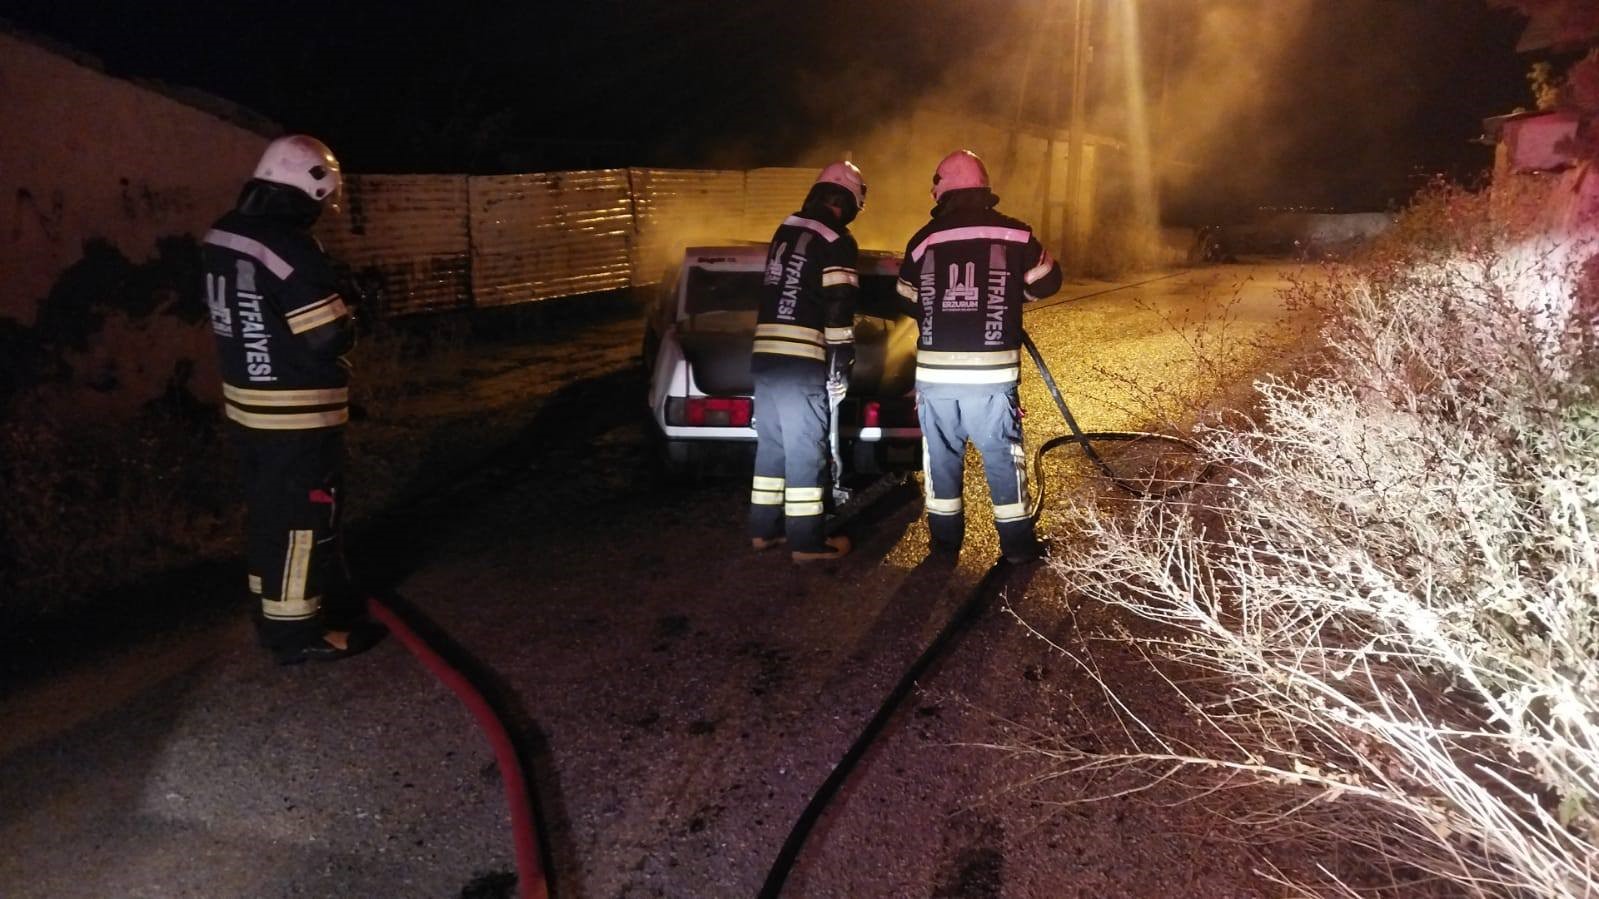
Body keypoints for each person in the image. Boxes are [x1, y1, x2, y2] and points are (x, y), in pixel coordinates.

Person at [202, 134, 383, 664]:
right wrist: (353, 314)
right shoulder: (290, 249)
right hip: (297, 412)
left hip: (248, 407)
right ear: (309, 193)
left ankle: (270, 606)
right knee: (305, 521)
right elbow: (327, 335)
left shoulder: (224, 235)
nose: (321, 214)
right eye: (321, 202)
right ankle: (296, 634)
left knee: (270, 514)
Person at [896, 149, 1063, 563]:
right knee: (1003, 459)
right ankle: (1018, 549)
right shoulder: (1015, 235)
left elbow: (905, 298)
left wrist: (940, 310)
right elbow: (1049, 282)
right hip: (990, 377)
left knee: (941, 461)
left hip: (935, 378)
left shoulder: (923, 240)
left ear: (944, 191)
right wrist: (1006, 298)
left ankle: (944, 546)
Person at [747, 161, 865, 562]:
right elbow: (839, 308)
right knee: (806, 451)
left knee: (773, 446)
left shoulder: (786, 230)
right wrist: (840, 365)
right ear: (848, 202)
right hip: (801, 360)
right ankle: (807, 542)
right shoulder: (836, 240)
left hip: (765, 354)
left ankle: (764, 531)